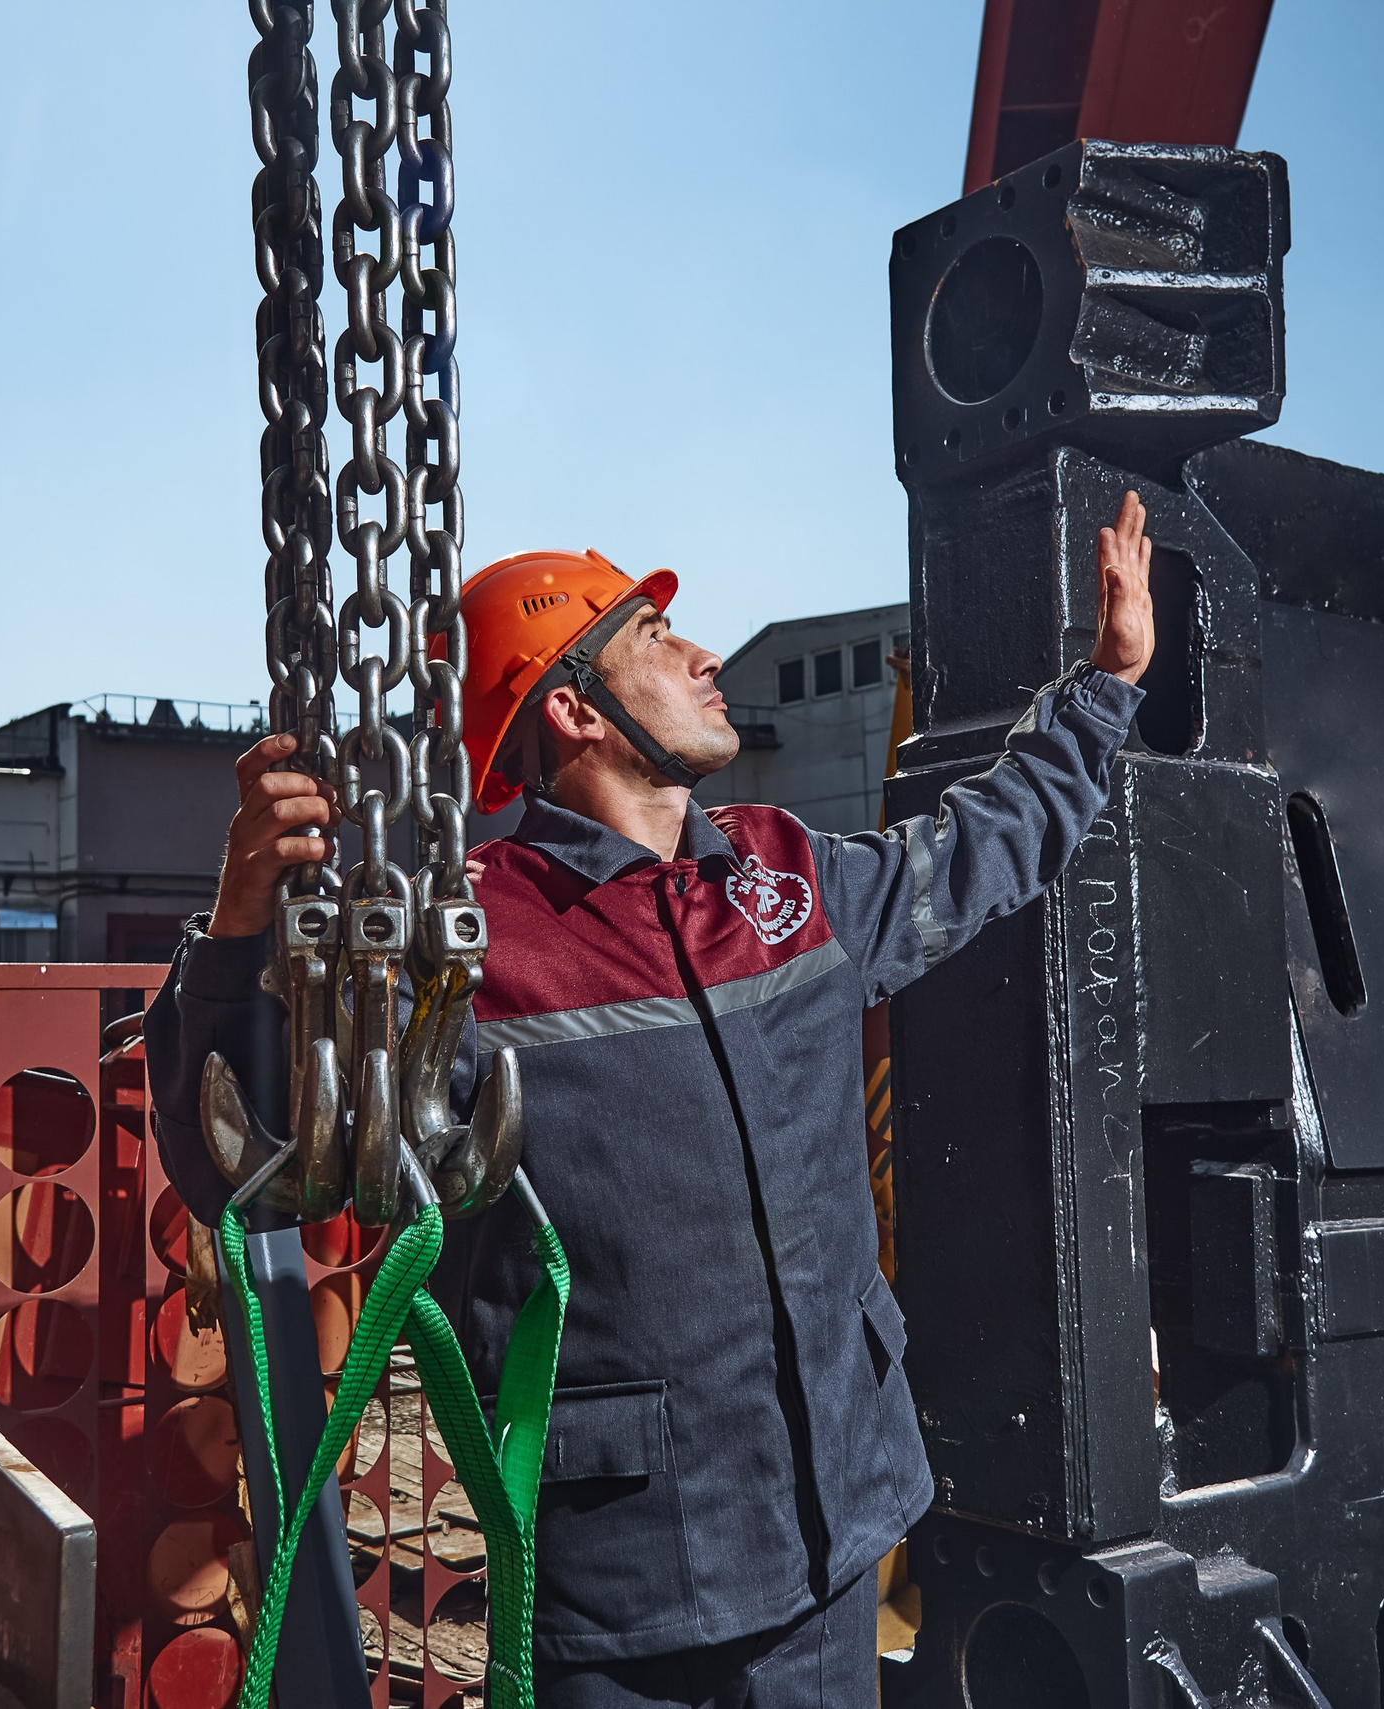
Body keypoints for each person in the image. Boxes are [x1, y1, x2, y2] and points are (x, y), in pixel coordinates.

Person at [145, 491, 1156, 1708]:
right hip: (622, 1592)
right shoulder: (467, 944)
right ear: (575, 708)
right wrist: (242, 926)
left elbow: (988, 844)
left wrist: (1104, 685)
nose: (704, 654)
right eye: (656, 639)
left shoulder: (789, 875)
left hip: (832, 1545)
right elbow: (247, 1170)